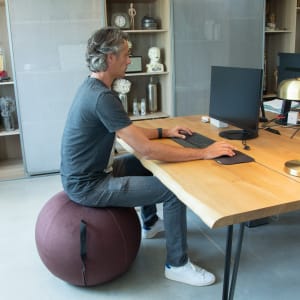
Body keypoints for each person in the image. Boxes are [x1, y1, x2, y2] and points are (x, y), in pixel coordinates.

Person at [60, 27, 236, 287]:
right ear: (110, 58)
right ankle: (177, 264)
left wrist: (165, 130)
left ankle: (150, 223)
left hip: (88, 174)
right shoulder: (102, 97)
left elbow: (128, 132)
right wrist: (204, 153)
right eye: (126, 55)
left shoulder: (93, 87)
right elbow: (146, 149)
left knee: (141, 165)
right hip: (88, 185)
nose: (129, 60)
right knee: (173, 191)